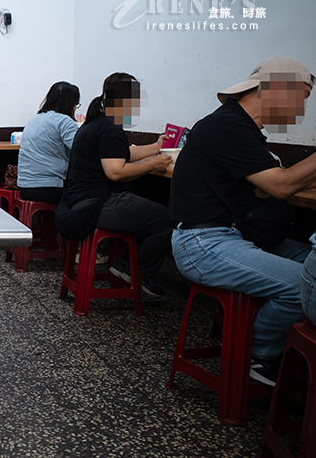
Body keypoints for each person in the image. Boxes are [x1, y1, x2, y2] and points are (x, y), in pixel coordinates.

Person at [170, 57, 316, 386]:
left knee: (313, 265)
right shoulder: (227, 127)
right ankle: (258, 354)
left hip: (232, 235)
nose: (302, 112)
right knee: (302, 287)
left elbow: (283, 179)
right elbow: (281, 185)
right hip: (203, 243)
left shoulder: (238, 126)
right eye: (301, 100)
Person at [57, 73, 172, 297]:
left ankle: (125, 265)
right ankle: (138, 272)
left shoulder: (95, 123)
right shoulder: (110, 128)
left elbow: (121, 153)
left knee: (146, 209)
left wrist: (156, 147)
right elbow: (116, 171)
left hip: (77, 203)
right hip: (96, 205)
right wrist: (152, 164)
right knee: (168, 219)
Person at [18, 81, 80, 204]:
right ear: (70, 103)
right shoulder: (64, 121)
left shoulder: (33, 119)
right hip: (50, 188)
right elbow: (82, 149)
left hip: (24, 187)